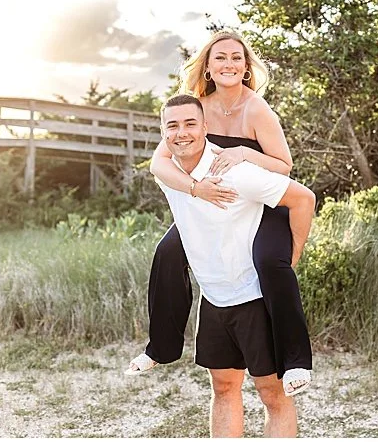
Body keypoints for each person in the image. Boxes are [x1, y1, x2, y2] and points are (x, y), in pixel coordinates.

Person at [130, 30, 314, 397]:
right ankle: (160, 348)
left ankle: (296, 359)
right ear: (207, 67)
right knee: (168, 251)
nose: (228, 64)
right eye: (220, 58)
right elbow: (159, 162)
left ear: (246, 67)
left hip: (261, 201)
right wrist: (194, 188)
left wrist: (244, 153)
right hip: (214, 199)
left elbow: (284, 166)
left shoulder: (256, 109)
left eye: (236, 58)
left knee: (270, 263)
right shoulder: (197, 109)